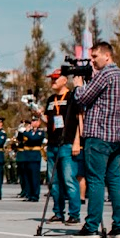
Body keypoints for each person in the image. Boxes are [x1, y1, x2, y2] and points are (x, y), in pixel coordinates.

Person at [72, 41, 120, 238]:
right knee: (114, 180)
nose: (92, 62)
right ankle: (118, 227)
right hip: (117, 137)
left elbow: (82, 98)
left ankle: (91, 227)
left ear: (107, 55)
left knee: (95, 180)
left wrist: (78, 86)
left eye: (95, 57)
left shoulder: (105, 74)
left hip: (99, 136)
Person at [42, 69, 82, 225]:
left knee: (69, 179)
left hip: (67, 143)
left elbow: (80, 120)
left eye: (55, 79)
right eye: (51, 79)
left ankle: (74, 214)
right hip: (52, 143)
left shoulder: (73, 97)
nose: (52, 82)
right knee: (54, 182)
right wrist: (39, 114)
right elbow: (48, 120)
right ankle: (58, 212)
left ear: (64, 80)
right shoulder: (51, 99)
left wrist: (77, 141)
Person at [17, 117, 45, 202]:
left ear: (39, 122)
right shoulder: (28, 132)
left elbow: (33, 139)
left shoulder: (40, 132)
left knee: (34, 177)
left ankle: (35, 195)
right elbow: (20, 139)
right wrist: (21, 131)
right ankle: (29, 194)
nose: (33, 123)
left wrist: (26, 132)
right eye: (32, 121)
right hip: (26, 155)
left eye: (35, 121)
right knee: (27, 176)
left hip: (34, 156)